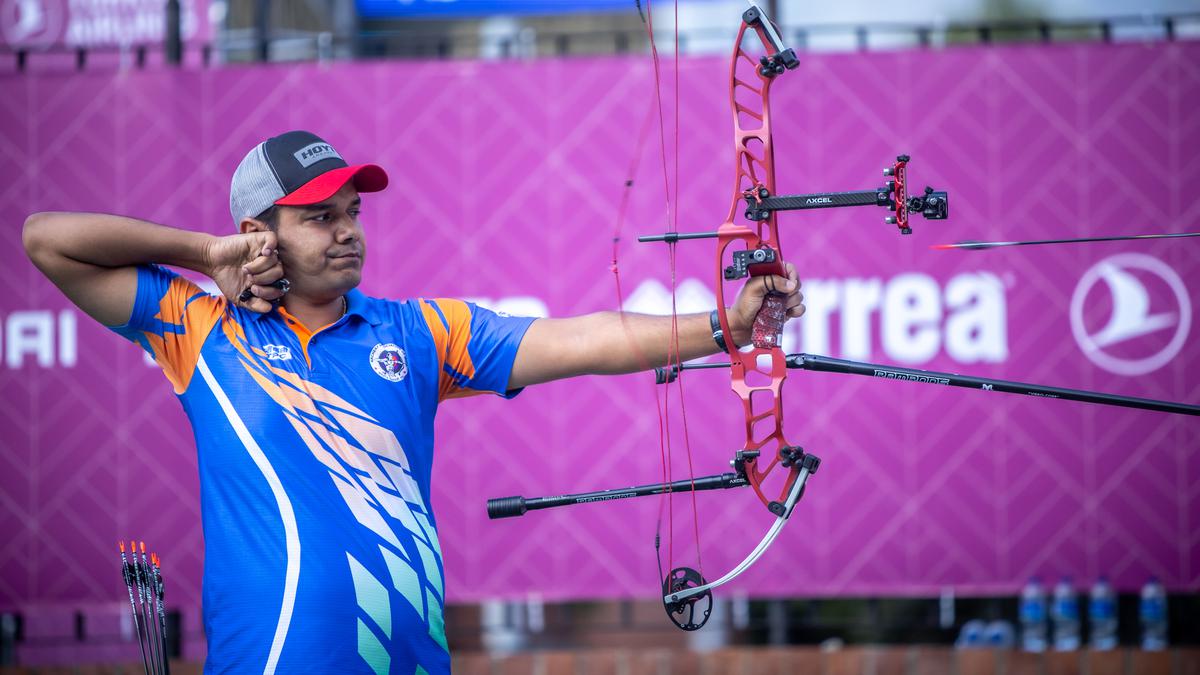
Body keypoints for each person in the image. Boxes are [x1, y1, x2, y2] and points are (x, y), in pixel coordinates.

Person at [22, 130, 804, 674]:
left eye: (353, 213)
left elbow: (581, 339)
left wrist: (724, 325)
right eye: (319, 216)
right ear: (257, 233)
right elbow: (44, 238)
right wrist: (203, 255)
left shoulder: (420, 331)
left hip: (412, 659)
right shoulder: (200, 330)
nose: (347, 232)